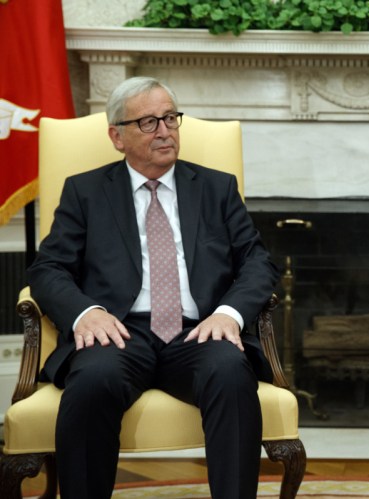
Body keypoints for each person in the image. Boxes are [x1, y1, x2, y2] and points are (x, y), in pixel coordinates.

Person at [27, 76, 279, 499]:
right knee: (92, 381)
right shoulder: (85, 191)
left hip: (199, 330)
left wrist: (229, 314)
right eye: (148, 122)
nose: (165, 131)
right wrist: (86, 313)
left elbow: (257, 261)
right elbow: (48, 268)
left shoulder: (216, 188)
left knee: (231, 373)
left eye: (170, 118)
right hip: (120, 331)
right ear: (117, 136)